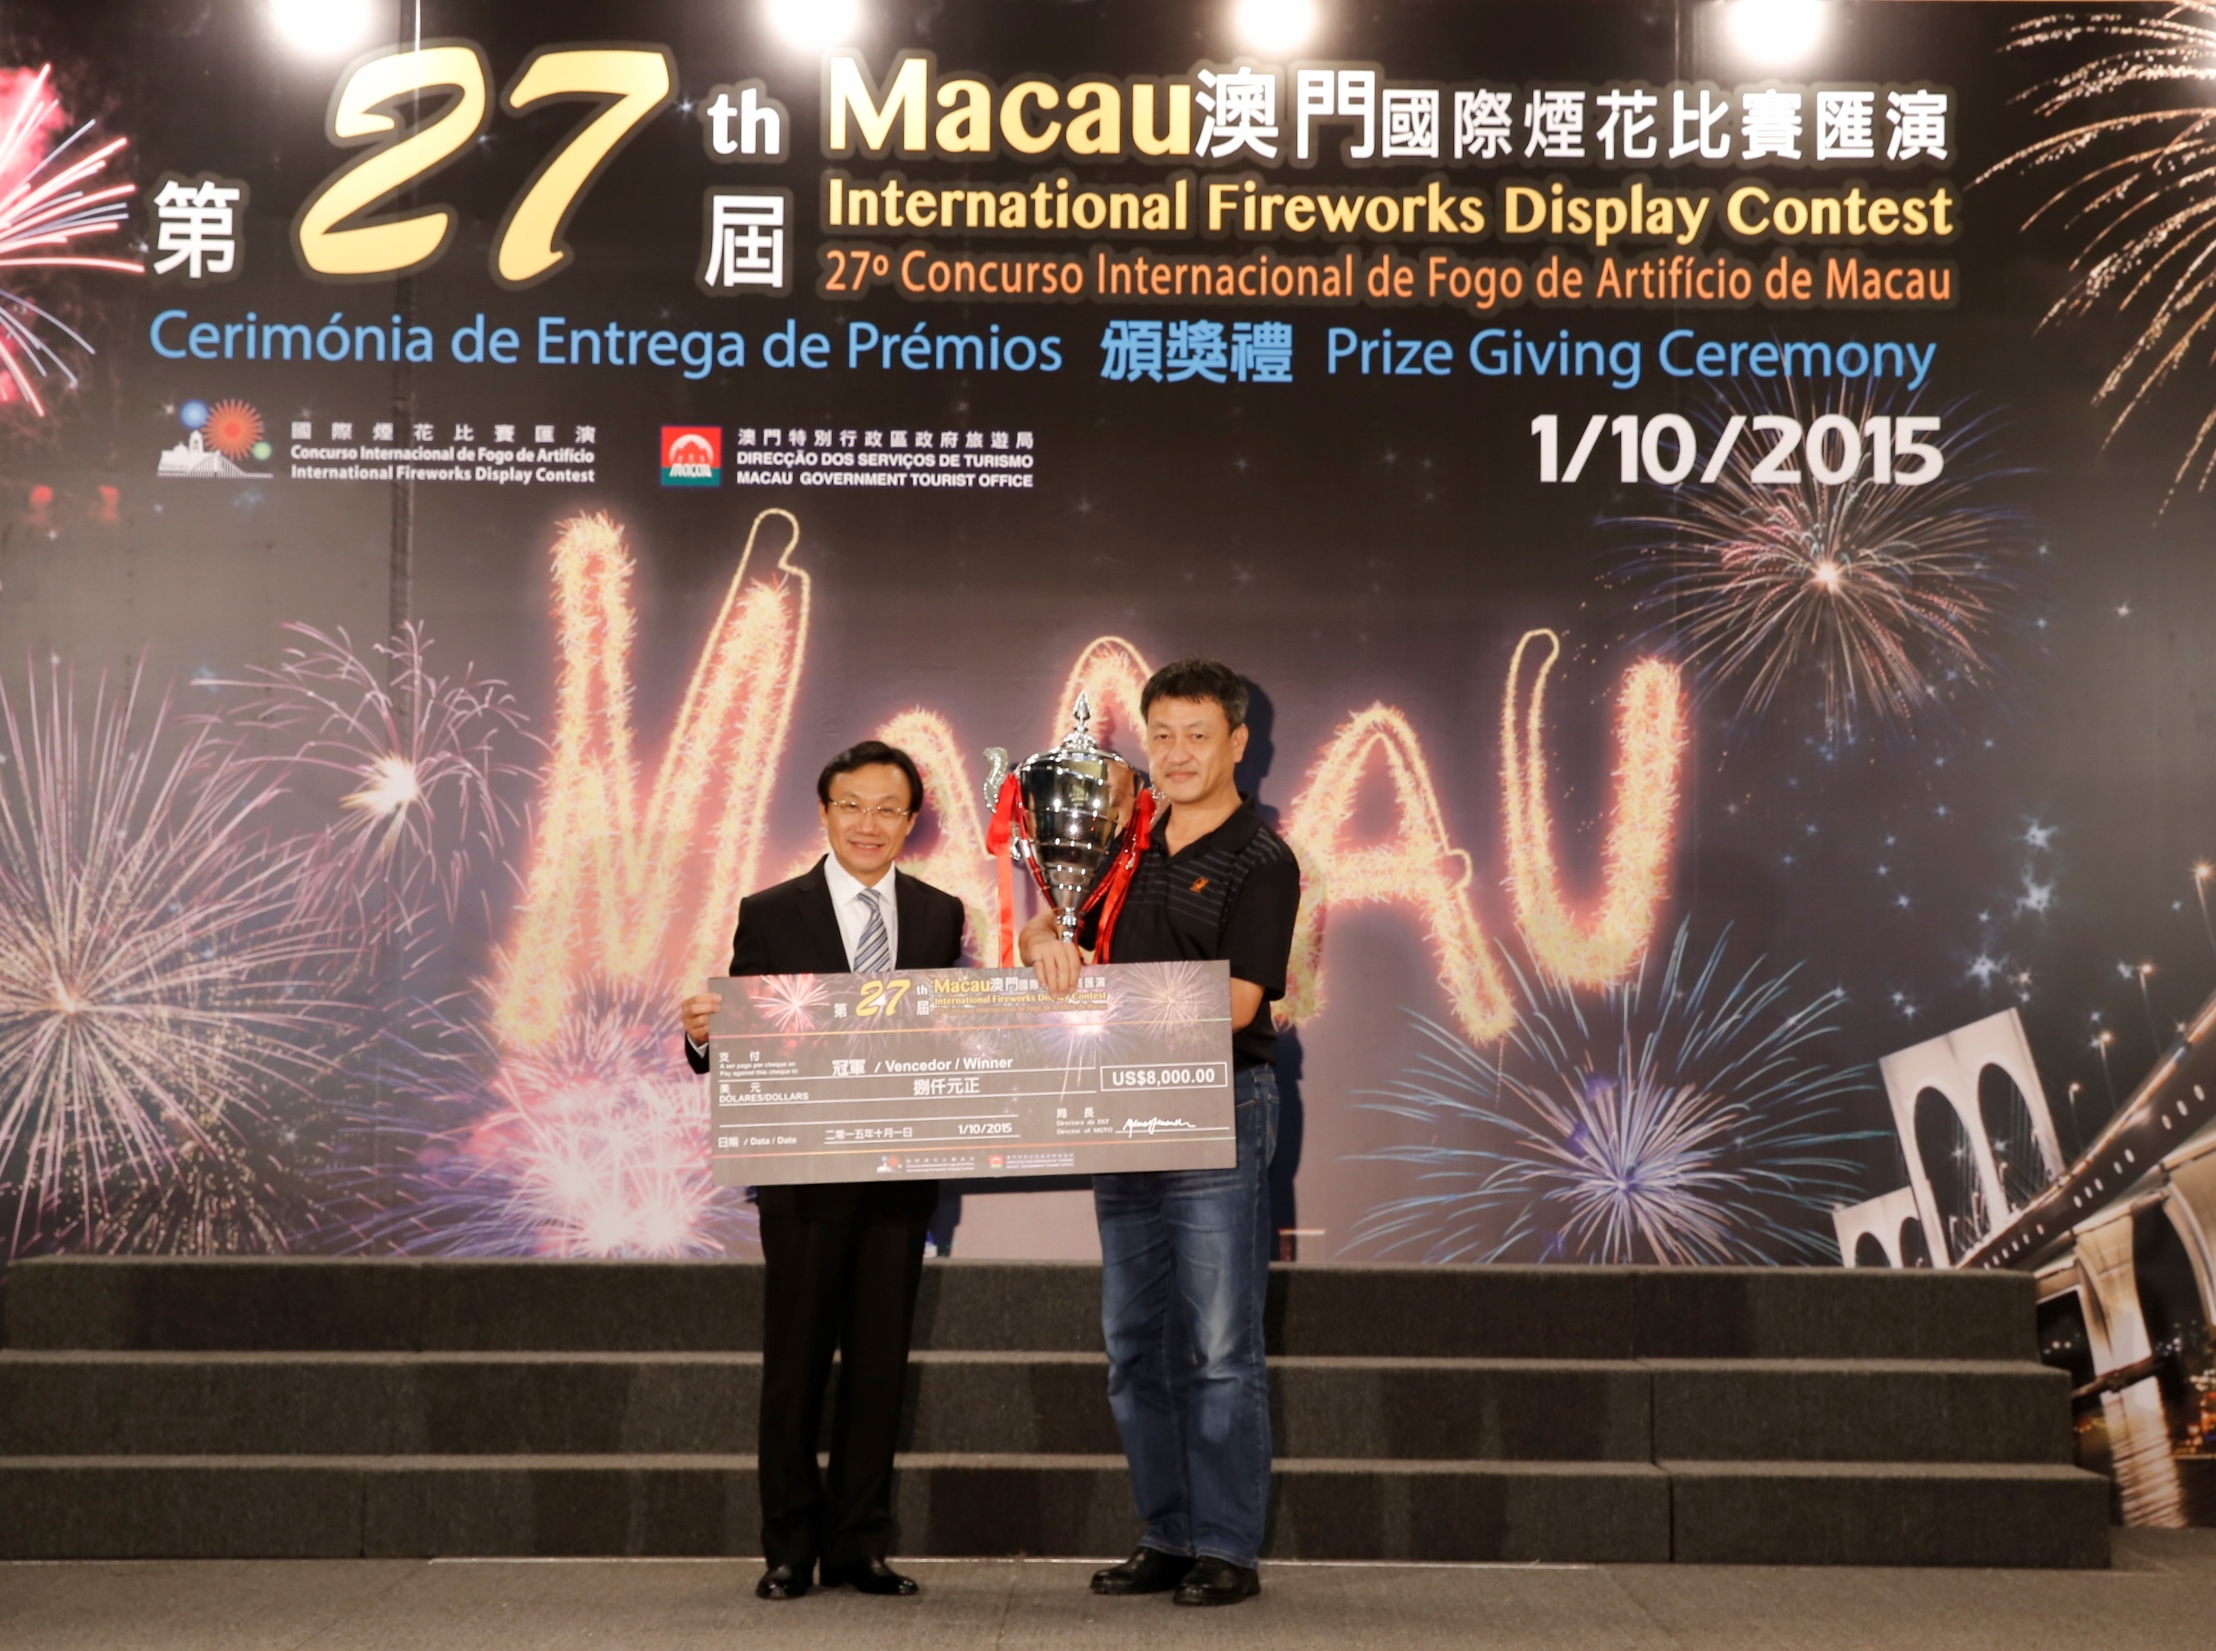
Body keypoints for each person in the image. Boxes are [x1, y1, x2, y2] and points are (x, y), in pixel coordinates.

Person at [1021, 659, 1301, 1608]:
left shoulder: (1261, 859)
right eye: (1164, 735)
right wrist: (1047, 947)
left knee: (1219, 1345)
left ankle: (1227, 1545)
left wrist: (1106, 1002)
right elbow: (1043, 930)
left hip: (1221, 1106)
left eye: (1198, 735)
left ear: (1237, 743)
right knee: (1134, 1343)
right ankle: (1168, 1533)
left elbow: (1237, 1002)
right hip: (1121, 1109)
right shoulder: (1122, 836)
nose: (1178, 754)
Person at [680, 740, 966, 1601]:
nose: (868, 823)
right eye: (852, 805)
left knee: (879, 1367)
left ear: (910, 821)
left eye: (888, 808)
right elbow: (739, 1038)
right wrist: (704, 1034)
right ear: (825, 811)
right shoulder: (770, 911)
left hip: (899, 1175)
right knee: (796, 1365)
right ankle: (788, 1546)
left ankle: (859, 1545)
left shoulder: (940, 914)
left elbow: (945, 1036)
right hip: (802, 1177)